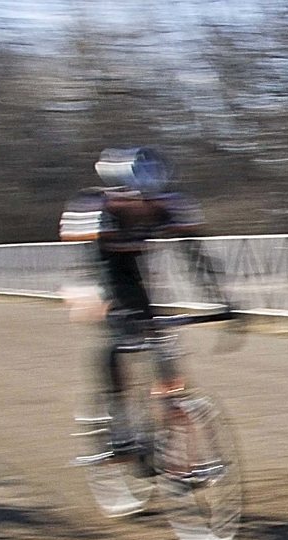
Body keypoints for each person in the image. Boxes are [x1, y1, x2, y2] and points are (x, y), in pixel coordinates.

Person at [60, 146, 210, 453]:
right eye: (137, 200)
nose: (145, 206)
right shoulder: (95, 207)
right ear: (118, 194)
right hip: (94, 271)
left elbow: (195, 257)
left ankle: (171, 404)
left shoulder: (167, 206)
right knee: (117, 332)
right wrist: (108, 309)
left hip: (133, 274)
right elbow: (93, 267)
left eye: (151, 200)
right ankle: (118, 416)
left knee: (158, 336)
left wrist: (222, 303)